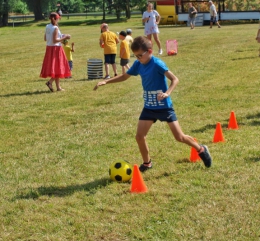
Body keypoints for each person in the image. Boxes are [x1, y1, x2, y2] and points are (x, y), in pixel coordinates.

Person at [93, 36, 212, 172]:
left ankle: (201, 149)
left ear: (149, 51)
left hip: (164, 107)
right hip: (149, 106)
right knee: (139, 136)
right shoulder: (138, 64)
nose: (137, 59)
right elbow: (125, 76)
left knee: (179, 137)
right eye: (135, 56)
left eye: (140, 55)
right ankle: (147, 163)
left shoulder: (157, 64)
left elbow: (175, 79)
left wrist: (167, 93)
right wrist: (106, 81)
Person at [40, 12, 71, 92]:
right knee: (58, 67)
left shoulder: (47, 26)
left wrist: (62, 36)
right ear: (56, 18)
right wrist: (65, 38)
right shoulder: (55, 28)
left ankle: (58, 87)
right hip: (56, 49)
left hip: (49, 48)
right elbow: (55, 40)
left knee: (56, 67)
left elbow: (45, 38)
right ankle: (50, 82)